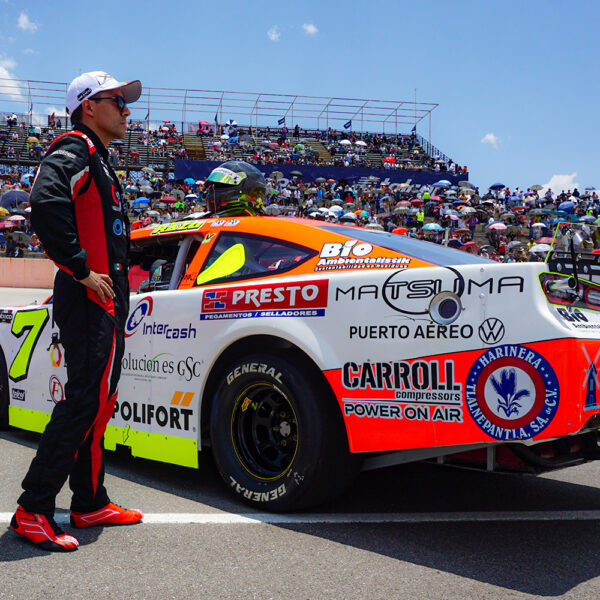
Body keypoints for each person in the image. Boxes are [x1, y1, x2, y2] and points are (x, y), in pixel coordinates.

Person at [10, 71, 143, 552]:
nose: (127, 111)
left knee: (99, 403)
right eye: (117, 102)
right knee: (84, 401)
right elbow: (44, 204)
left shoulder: (99, 158)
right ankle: (33, 509)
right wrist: (82, 269)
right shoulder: (75, 147)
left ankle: (89, 502)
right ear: (89, 106)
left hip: (103, 301)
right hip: (88, 298)